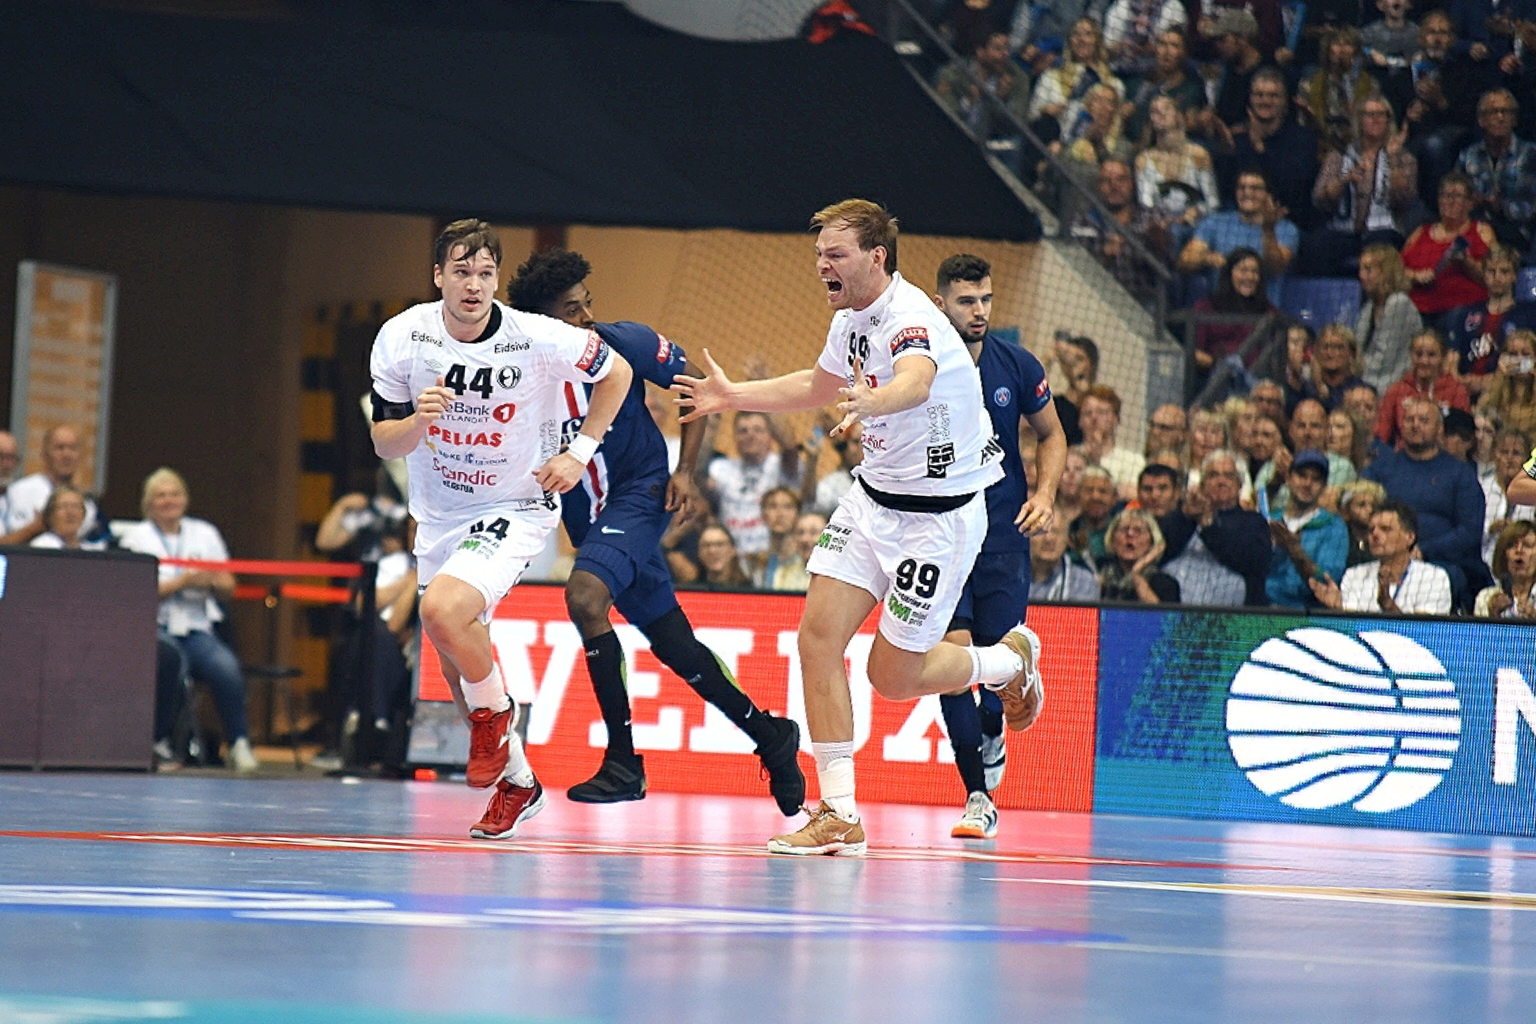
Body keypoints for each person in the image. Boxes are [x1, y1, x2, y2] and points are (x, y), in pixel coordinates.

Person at [672, 199, 1043, 855]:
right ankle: (839, 812)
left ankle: (1007, 662)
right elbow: (817, 384)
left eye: (835, 254)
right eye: (819, 254)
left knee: (892, 677)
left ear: (876, 257)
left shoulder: (910, 317)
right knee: (816, 638)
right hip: (872, 501)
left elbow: (916, 381)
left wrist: (875, 399)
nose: (822, 265)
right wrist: (732, 396)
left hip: (937, 521)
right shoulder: (850, 319)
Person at [505, 247, 803, 812]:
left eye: (587, 304)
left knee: (585, 597)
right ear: (542, 321)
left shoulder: (624, 342)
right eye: (571, 311)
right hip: (591, 519)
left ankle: (623, 762)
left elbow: (697, 386)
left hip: (641, 495)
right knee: (675, 645)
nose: (586, 318)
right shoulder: (523, 374)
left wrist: (685, 470)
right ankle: (771, 736)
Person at [368, 220, 635, 840]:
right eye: (462, 272)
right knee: (458, 674)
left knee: (442, 610)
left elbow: (617, 373)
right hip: (440, 514)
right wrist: (417, 423)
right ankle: (518, 781)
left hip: (515, 504)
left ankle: (500, 715)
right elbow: (384, 442)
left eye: (485, 273)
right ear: (438, 276)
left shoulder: (535, 336)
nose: (474, 284)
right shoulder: (402, 336)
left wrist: (581, 451)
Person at [930, 253, 1068, 841]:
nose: (979, 310)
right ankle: (976, 797)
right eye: (966, 301)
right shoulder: (919, 367)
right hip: (939, 540)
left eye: (985, 299)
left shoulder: (1017, 363)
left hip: (1003, 538)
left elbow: (1052, 434)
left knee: (996, 667)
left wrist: (1046, 494)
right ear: (940, 303)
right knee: (949, 666)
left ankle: (997, 723)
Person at [118, 468, 257, 773]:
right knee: (172, 662)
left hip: (197, 626)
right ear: (148, 503)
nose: (169, 500)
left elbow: (229, 587)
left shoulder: (205, 533)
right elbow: (135, 592)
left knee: (226, 667)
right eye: (161, 495)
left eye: (175, 494)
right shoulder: (137, 538)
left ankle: (239, 742)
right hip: (154, 627)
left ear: (185, 499)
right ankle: (162, 741)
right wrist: (184, 582)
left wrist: (211, 579)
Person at [1364, 395, 1489, 603]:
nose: (1415, 425)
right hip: (1386, 559)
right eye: (1409, 420)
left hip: (1443, 563)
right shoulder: (1382, 468)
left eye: (1424, 420)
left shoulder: (1459, 474)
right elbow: (1360, 504)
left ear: (1439, 429)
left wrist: (1424, 550)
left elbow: (1470, 531)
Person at [1308, 98, 1419, 278]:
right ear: (1359, 120)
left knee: (1380, 247)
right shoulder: (1339, 156)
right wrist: (1345, 180)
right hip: (1344, 230)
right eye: (1370, 114)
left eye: (1381, 115)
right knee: (1316, 245)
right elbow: (1320, 197)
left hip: (1383, 230)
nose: (1375, 119)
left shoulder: (1404, 158)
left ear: (1389, 120)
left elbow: (1405, 198)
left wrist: (1392, 160)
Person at [1161, 448, 1274, 605]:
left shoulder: (1254, 522)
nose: (1221, 481)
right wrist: (1185, 516)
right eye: (1213, 475)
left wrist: (1208, 525)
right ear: (1202, 484)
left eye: (1229, 476)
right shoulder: (1182, 517)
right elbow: (1161, 551)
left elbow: (1250, 560)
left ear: (1240, 485)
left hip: (1233, 614)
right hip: (1174, 611)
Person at [1210, 69, 1321, 228]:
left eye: (1273, 96)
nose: (1265, 101)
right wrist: (1225, 154)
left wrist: (1259, 147)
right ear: (1250, 99)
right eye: (1259, 95)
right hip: (1240, 221)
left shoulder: (1303, 139)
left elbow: (1292, 191)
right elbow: (1225, 191)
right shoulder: (1238, 140)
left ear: (1285, 101)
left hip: (1287, 223)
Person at [1311, 500, 1453, 612]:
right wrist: (1340, 610)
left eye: (1386, 529)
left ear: (1410, 537)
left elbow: (1423, 633)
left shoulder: (1433, 577)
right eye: (1371, 530)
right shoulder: (1355, 575)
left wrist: (1388, 606)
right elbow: (1353, 629)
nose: (1375, 535)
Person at [1177, 169, 1299, 299]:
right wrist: (1207, 258)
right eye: (1241, 188)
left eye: (1255, 188)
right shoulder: (1215, 222)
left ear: (1268, 195)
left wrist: (1268, 229)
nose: (1247, 193)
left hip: (1262, 307)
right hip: (1220, 306)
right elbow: (1183, 262)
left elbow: (1275, 269)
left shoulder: (1286, 229)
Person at [1068, 157, 1170, 307]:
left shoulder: (1154, 217)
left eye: (1121, 179)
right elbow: (1076, 272)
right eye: (1106, 181)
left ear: (1131, 183)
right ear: (1097, 186)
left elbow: (1168, 267)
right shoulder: (1083, 222)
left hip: (1145, 297)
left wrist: (1156, 242)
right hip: (1099, 298)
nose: (1115, 186)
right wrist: (1104, 257)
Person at [703, 410, 803, 557]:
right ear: (734, 436)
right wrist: (710, 426)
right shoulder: (721, 468)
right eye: (743, 431)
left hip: (776, 556)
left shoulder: (782, 466)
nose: (750, 435)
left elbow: (789, 447)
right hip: (733, 559)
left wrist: (761, 401)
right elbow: (697, 476)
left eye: (758, 430)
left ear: (771, 435)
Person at [1445, 244, 1536, 399]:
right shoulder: (1465, 314)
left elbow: (1529, 363)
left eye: (1504, 271)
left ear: (1514, 276)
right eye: (1491, 271)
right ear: (1484, 274)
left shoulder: (1529, 316)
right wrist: (1458, 381)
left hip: (1508, 394)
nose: (1497, 277)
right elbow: (1452, 357)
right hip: (1464, 392)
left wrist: (1490, 381)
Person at [1401, 171, 1496, 318]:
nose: (1450, 202)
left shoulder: (1482, 231)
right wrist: (1416, 276)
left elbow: (1494, 278)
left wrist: (1467, 263)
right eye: (1445, 196)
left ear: (1470, 203)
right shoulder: (1421, 232)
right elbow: (1396, 269)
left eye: (1457, 196)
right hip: (1417, 308)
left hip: (1463, 308)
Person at [1266, 449, 1351, 605]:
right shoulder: (1270, 521)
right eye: (1302, 475)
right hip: (1263, 610)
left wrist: (1296, 552)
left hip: (1308, 612)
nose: (1307, 484)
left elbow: (1329, 581)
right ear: (1288, 478)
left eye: (1316, 479)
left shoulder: (1334, 526)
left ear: (1324, 486)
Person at [1455, 89, 1536, 253]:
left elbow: (1531, 207)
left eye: (1506, 112)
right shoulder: (1468, 156)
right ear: (1481, 120)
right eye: (1493, 112)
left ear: (1514, 119)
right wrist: (1472, 202)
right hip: (1476, 232)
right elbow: (1454, 196)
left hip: (1519, 236)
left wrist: (1501, 208)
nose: (1500, 117)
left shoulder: (1531, 154)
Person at [1027, 18, 1125, 144]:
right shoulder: (1050, 77)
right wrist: (1046, 112)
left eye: (1088, 34)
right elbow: (1031, 117)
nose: (1081, 39)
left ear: (1097, 40)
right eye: (1076, 34)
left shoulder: (1114, 86)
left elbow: (1113, 131)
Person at [3, 425, 101, 545]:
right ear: (44, 453)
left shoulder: (88, 501)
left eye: (73, 448)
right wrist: (37, 527)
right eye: (59, 448)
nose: (66, 455)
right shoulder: (21, 490)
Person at [1297, 26, 1383, 159]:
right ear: (1328, 50)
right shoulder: (1309, 84)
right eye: (1337, 43)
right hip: (1319, 148)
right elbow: (1303, 126)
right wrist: (1313, 119)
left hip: (1359, 149)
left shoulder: (1370, 85)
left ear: (1356, 51)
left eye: (1347, 44)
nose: (1341, 49)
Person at [1375, 328, 1472, 447]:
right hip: (1403, 455)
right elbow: (1381, 436)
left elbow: (1463, 437)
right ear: (1411, 355)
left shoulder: (1457, 391)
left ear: (1443, 357)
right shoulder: (1396, 390)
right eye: (1418, 354)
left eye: (1431, 355)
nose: (1424, 361)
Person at [1190, 247, 1280, 374]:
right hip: (1215, 378)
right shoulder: (1205, 308)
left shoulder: (1268, 311)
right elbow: (1195, 352)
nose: (1250, 277)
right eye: (1243, 271)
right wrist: (1221, 365)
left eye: (1255, 271)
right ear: (1229, 274)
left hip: (1256, 378)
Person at [1353, 243, 1423, 394]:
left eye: (1368, 270)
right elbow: (1356, 348)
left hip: (1391, 384)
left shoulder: (1398, 303)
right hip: (1367, 379)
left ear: (1386, 272)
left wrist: (1352, 370)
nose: (1361, 276)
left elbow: (1384, 361)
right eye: (1361, 269)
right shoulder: (1369, 306)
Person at [1122, 29, 1208, 144]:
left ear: (1184, 52)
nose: (1167, 51)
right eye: (1162, 44)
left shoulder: (1191, 88)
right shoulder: (1138, 83)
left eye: (1174, 46)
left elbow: (1191, 123)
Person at [1098, 507, 1181, 602]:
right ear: (1113, 540)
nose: (1130, 534)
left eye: (1138, 530)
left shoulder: (1166, 584)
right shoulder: (1101, 575)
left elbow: (1157, 611)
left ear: (1151, 542)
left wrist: (1136, 572)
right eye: (1124, 529)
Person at [1481, 426, 1535, 566]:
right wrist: (1490, 528)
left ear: (1527, 459)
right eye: (1504, 452)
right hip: (1484, 561)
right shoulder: (1481, 488)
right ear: (1494, 455)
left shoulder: (1532, 493)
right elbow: (1469, 531)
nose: (1509, 459)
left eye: (1516, 453)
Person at [1080, 384, 1146, 498]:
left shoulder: (1133, 461)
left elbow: (1135, 495)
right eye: (1088, 413)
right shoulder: (1068, 457)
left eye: (1101, 412)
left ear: (1116, 419)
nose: (1094, 418)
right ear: (1080, 421)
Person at [1102, 0, 1188, 78]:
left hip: (1154, 76)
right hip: (1118, 71)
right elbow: (1107, 47)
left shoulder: (1173, 7)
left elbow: (1177, 48)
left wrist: (1151, 49)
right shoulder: (1122, 4)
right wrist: (1124, 45)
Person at [1031, 510, 1102, 600]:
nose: (1048, 539)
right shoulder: (1014, 575)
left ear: (1067, 539)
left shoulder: (1084, 581)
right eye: (1041, 531)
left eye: (1056, 532)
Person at [1478, 329, 1536, 436]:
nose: (1519, 359)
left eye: (1525, 354)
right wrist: (1500, 375)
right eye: (1513, 354)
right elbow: (1483, 411)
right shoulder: (1498, 385)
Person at [1474, 520, 1536, 617]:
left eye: (1527, 545)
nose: (1519, 550)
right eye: (1511, 546)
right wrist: (1493, 618)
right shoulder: (1486, 598)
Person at [748, 486, 804, 589]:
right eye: (772, 506)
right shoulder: (754, 564)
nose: (780, 514)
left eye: (788, 507)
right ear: (763, 515)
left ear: (798, 515)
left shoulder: (808, 562)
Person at [1069, 464, 1120, 566]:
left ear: (1114, 498)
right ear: (1078, 496)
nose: (1095, 497)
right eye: (1089, 490)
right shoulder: (1068, 532)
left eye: (1103, 491)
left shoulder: (1123, 533)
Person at [28, 485, 106, 551]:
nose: (71, 513)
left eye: (76, 506)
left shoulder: (92, 551)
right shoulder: (42, 547)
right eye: (64, 506)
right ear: (50, 514)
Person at [771, 512, 826, 592]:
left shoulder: (837, 576)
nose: (805, 539)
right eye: (800, 533)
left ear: (827, 538)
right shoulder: (783, 574)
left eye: (813, 532)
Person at [1336, 477, 1387, 564]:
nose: (1370, 510)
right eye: (1362, 505)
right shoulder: (1337, 539)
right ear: (1345, 511)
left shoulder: (1385, 538)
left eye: (1374, 505)